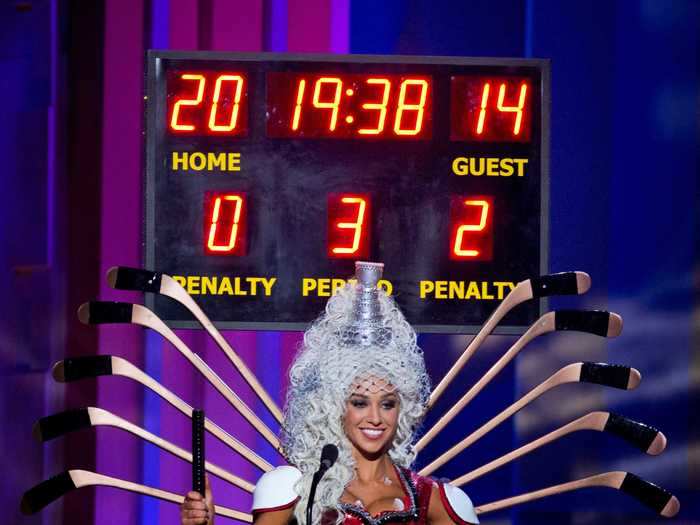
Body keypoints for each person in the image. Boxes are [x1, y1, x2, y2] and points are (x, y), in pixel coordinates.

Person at [181, 262, 478, 525]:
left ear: (403, 409)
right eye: (359, 402)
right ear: (334, 405)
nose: (375, 418)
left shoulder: (435, 500)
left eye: (387, 404)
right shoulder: (293, 489)